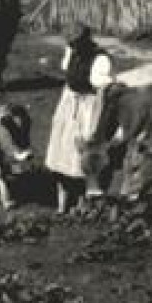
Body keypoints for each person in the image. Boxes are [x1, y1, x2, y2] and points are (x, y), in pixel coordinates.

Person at [44, 26, 114, 213]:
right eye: (71, 43)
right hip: (69, 102)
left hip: (88, 105)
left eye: (76, 43)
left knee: (82, 151)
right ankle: (63, 202)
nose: (73, 46)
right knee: (62, 150)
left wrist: (95, 121)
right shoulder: (72, 51)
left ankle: (84, 199)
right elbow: (69, 77)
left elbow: (101, 92)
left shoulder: (100, 59)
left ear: (85, 40)